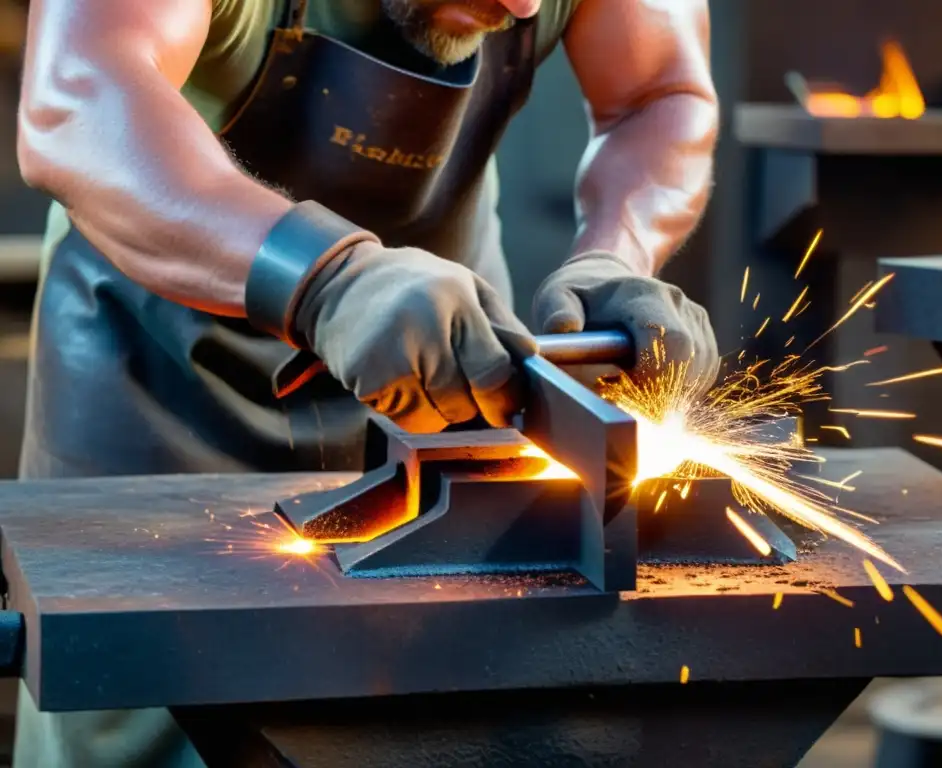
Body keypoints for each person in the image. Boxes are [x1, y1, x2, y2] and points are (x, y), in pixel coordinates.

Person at [13, 0, 719, 764]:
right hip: (159, 379)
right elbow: (76, 102)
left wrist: (615, 255)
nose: (521, 8)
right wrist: (325, 281)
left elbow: (659, 95)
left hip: (448, 370)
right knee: (138, 705)